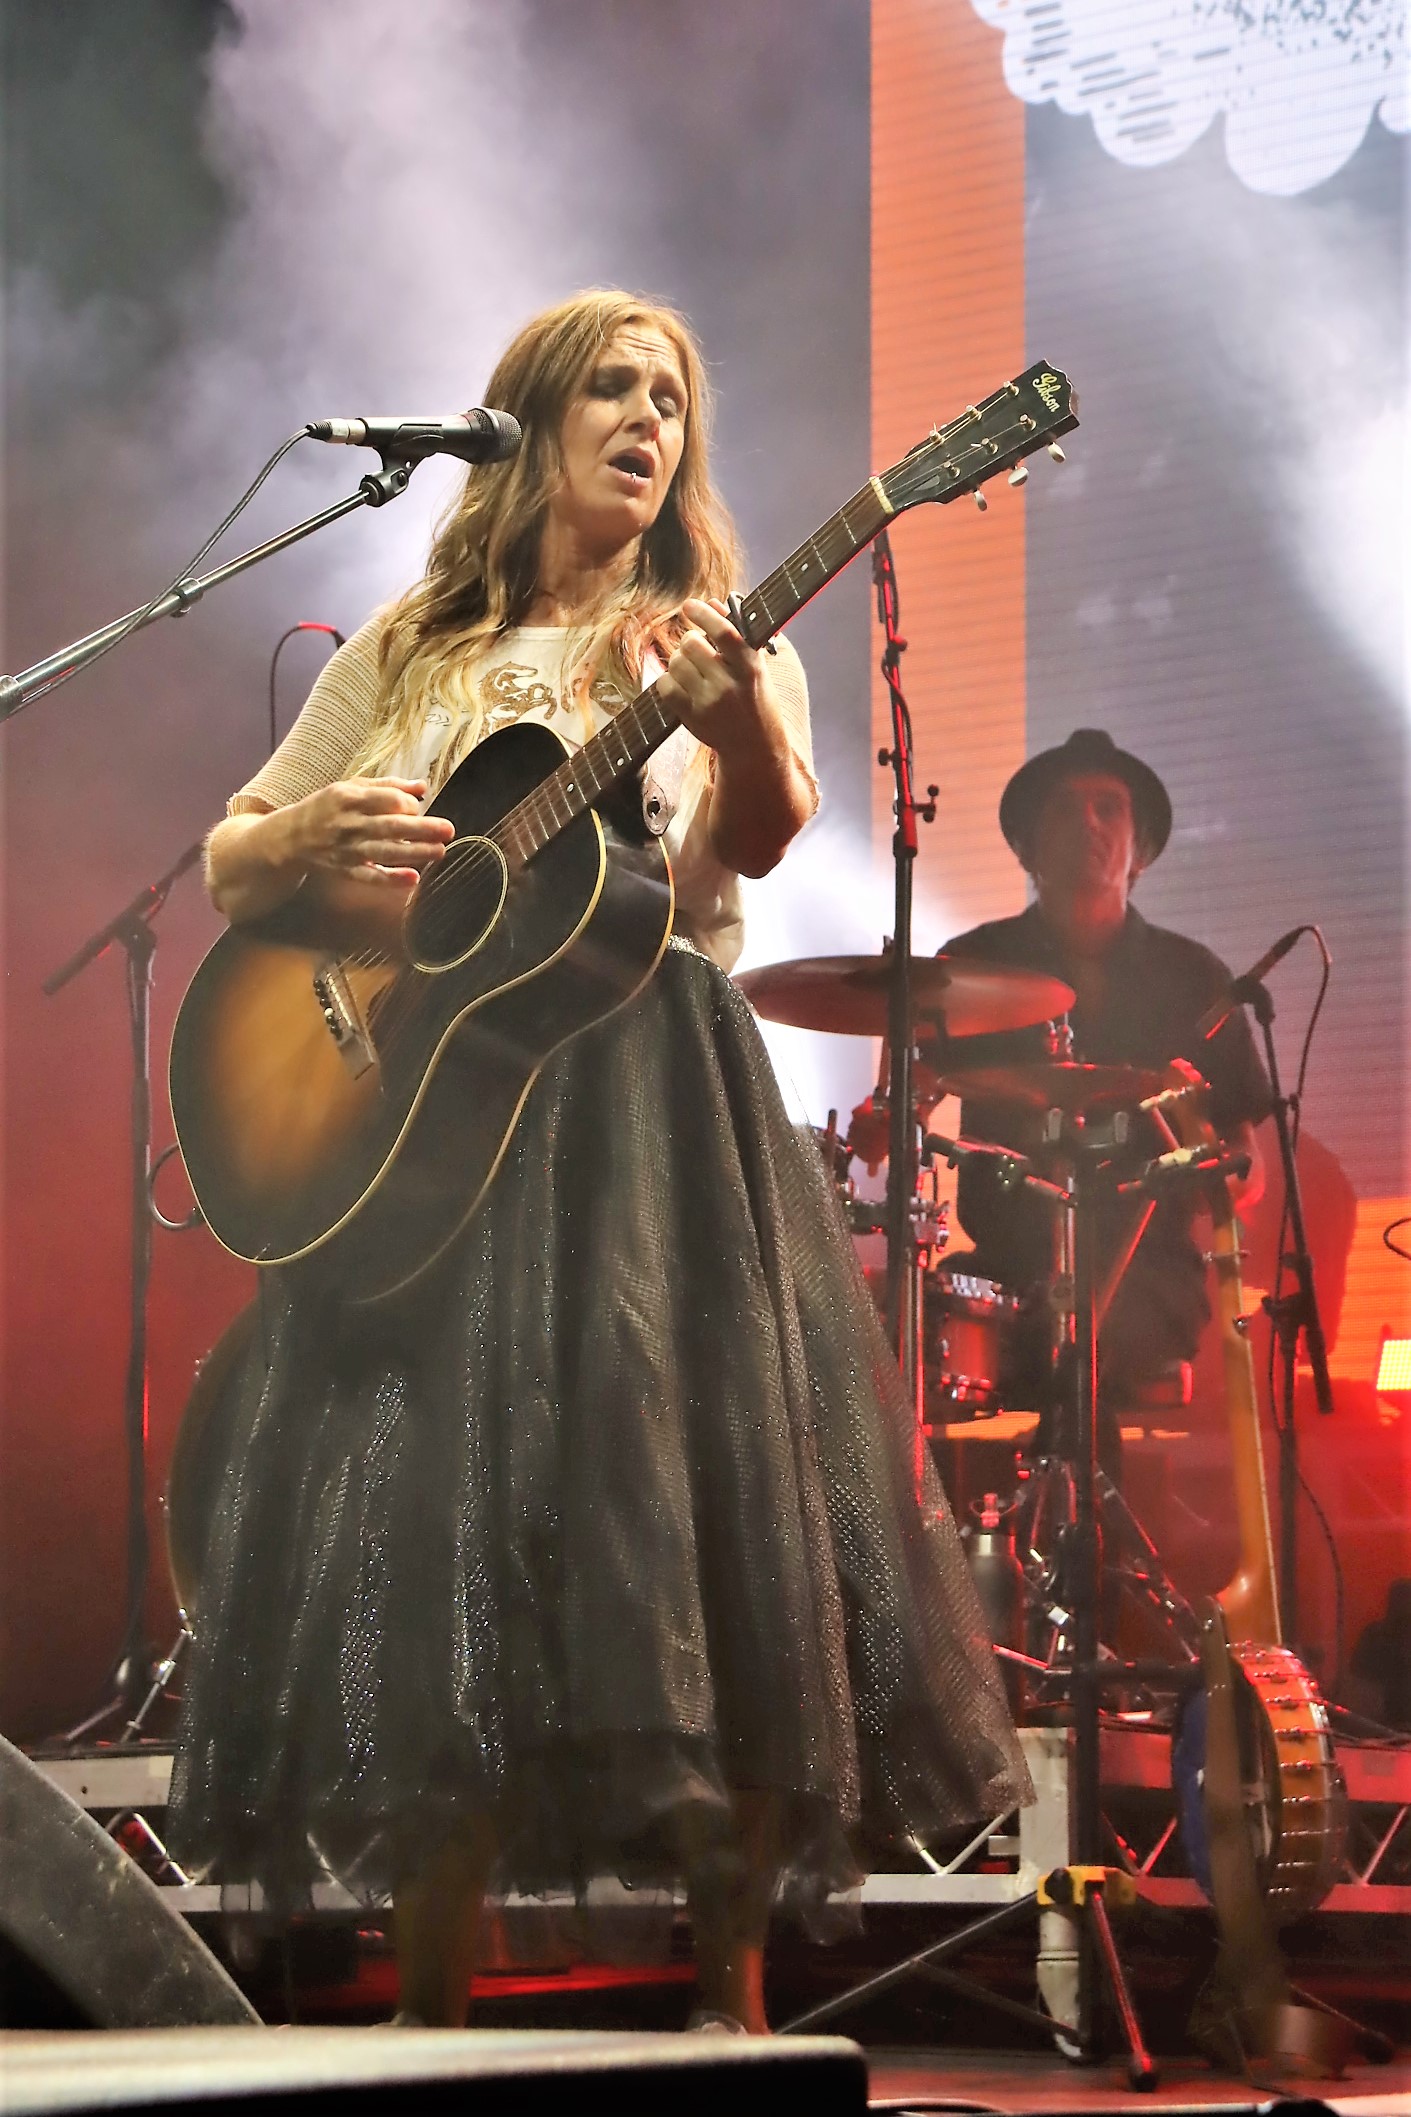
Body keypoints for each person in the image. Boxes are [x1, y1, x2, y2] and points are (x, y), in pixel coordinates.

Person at [168, 290, 1029, 2031]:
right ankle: (423, 2010)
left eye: (670, 398)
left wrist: (740, 723)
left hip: (648, 1107)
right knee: (429, 1528)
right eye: (611, 390)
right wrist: (303, 832)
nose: (648, 419)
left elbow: (755, 842)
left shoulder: (707, 633)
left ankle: (729, 1999)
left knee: (688, 1512)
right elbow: (232, 860)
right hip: (424, 1127)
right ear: (530, 422)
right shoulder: (411, 646)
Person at [936, 729, 1271, 1435]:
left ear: (1139, 850)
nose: (1086, 822)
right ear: (1026, 848)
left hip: (1148, 1273)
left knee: (1093, 1333)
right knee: (902, 1323)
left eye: (1107, 807)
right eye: (1062, 808)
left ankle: (1065, 1494)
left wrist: (1213, 1171)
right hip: (1003, 1269)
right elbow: (906, 1099)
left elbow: (1249, 1166)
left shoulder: (1194, 978)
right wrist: (882, 1124)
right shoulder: (969, 964)